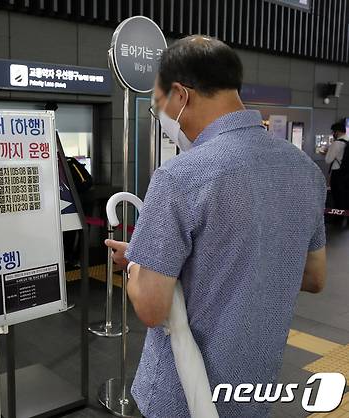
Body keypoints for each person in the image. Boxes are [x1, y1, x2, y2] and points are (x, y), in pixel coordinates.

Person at [105, 35, 327, 417]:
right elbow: (313, 277)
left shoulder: (180, 176)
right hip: (254, 386)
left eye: (162, 103)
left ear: (181, 95)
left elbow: (152, 308)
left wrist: (138, 266)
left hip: (182, 396)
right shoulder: (305, 169)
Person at [325, 121, 348, 212]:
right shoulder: (347, 141)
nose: (333, 134)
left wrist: (328, 151)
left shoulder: (337, 143)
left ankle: (338, 219)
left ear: (337, 132)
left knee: (337, 197)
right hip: (347, 173)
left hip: (338, 174)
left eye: (333, 132)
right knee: (345, 196)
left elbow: (328, 160)